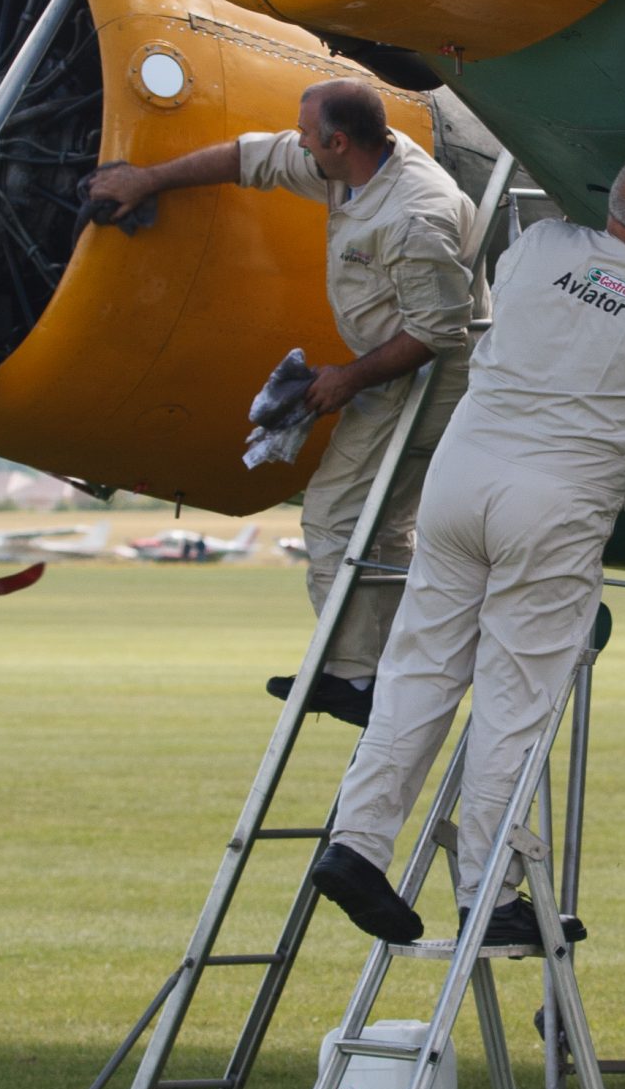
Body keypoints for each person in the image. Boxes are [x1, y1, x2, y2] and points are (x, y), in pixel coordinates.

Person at [310, 151, 625, 950]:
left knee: (418, 669)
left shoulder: (545, 245)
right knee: (513, 703)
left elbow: (592, 290)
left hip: (458, 482)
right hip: (550, 506)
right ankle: (486, 894)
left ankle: (356, 843)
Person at [85, 79, 480, 722]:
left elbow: (437, 332)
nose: (297, 142)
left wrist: (346, 378)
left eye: (306, 134)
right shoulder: (347, 166)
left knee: (333, 517)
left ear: (339, 141)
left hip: (426, 381)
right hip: (387, 373)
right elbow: (251, 157)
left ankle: (359, 678)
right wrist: (148, 180)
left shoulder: (414, 214)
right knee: (376, 523)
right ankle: (386, 666)